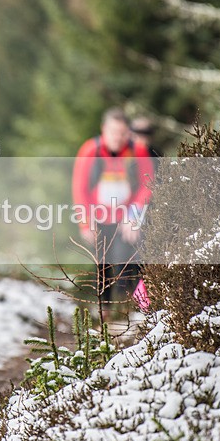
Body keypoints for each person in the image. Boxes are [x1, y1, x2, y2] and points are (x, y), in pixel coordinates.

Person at [71, 108, 154, 309]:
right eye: (113, 132)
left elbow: (147, 184)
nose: (118, 137)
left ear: (128, 132)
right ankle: (105, 311)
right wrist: (85, 223)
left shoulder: (138, 151)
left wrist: (134, 215)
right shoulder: (90, 150)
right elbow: (80, 189)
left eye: (122, 133)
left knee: (128, 264)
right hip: (98, 218)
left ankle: (137, 309)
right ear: (104, 130)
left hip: (125, 218)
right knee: (102, 267)